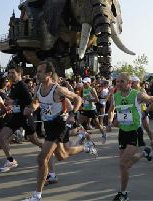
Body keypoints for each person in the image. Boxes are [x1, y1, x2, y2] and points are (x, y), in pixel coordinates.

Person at [22, 61, 97, 201]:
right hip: (48, 125)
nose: (36, 74)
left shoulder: (58, 89)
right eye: (37, 71)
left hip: (59, 123)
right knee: (62, 155)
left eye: (40, 71)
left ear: (49, 74)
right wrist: (31, 108)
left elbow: (78, 98)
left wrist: (72, 114)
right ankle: (85, 147)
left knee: (42, 158)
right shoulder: (38, 87)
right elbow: (36, 102)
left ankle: (37, 196)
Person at [108, 72, 153, 201]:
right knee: (126, 165)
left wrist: (147, 111)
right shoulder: (115, 96)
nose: (118, 84)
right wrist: (110, 122)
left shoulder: (137, 95)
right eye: (117, 81)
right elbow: (111, 110)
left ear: (129, 83)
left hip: (134, 132)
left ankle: (123, 193)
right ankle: (144, 153)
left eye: (122, 81)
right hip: (123, 132)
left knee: (122, 164)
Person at [0, 66, 43, 173]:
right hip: (16, 116)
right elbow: (13, 101)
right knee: (1, 138)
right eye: (9, 73)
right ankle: (11, 160)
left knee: (34, 140)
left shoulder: (22, 86)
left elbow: (31, 102)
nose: (10, 75)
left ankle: (47, 148)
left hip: (25, 116)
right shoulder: (14, 86)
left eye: (13, 73)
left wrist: (4, 95)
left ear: (19, 74)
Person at [78, 77, 107, 144]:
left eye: (85, 83)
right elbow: (83, 98)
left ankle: (104, 134)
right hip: (85, 109)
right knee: (78, 123)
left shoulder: (92, 89)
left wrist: (88, 100)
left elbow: (97, 100)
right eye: (83, 82)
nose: (84, 84)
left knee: (97, 124)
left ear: (89, 83)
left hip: (92, 109)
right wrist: (82, 100)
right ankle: (84, 135)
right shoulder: (83, 89)